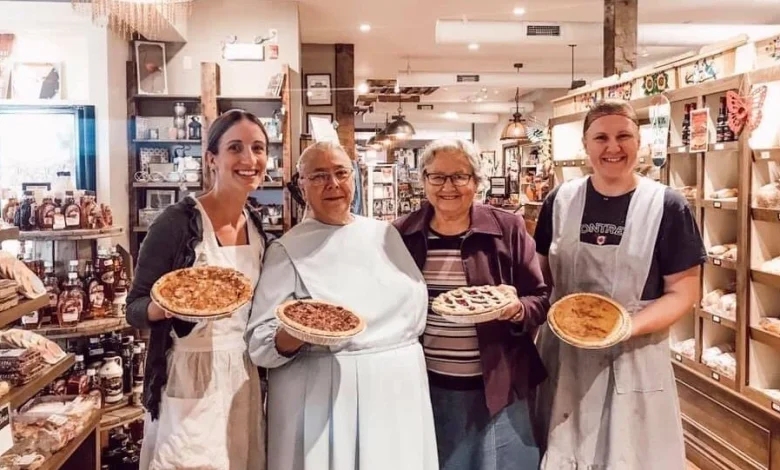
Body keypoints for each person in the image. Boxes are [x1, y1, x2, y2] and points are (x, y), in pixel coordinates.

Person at [533, 100, 706, 470]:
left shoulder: (667, 206)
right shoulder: (559, 201)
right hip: (564, 354)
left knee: (629, 454)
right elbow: (542, 275)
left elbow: (684, 292)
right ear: (585, 145)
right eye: (601, 137)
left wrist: (624, 327)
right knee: (564, 448)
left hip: (635, 353)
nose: (613, 147)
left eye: (623, 136)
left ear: (639, 141)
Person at [245, 142, 438, 470]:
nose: (332, 184)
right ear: (301, 185)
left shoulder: (385, 234)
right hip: (325, 395)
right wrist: (303, 331)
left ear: (355, 178)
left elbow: (414, 312)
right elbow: (261, 345)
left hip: (398, 392)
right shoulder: (286, 250)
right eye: (319, 176)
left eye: (340, 173)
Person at [127, 109, 270, 470]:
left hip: (241, 374)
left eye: (258, 148)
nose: (249, 159)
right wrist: (165, 308)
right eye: (235, 148)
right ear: (211, 159)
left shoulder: (255, 225)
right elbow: (134, 307)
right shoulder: (176, 222)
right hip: (190, 372)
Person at [393, 139, 549, 470]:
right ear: (423, 181)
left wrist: (516, 309)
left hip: (498, 386)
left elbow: (539, 298)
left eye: (459, 176)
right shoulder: (401, 234)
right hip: (428, 384)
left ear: (477, 182)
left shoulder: (507, 228)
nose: (448, 187)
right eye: (437, 177)